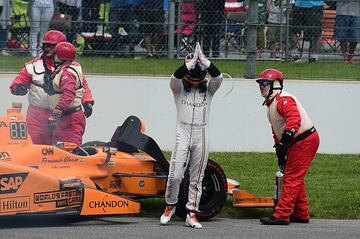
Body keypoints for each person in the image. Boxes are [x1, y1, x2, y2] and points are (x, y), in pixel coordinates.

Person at [160, 43, 223, 229]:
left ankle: (191, 213)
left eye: (198, 71)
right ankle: (170, 206)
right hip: (183, 132)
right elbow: (173, 78)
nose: (195, 75)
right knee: (175, 174)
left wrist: (205, 62)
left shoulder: (209, 90)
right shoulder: (178, 88)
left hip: (202, 133)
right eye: (192, 71)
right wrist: (188, 64)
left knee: (197, 176)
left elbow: (218, 78)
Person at [256, 69, 320, 225]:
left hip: (303, 140)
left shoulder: (284, 99)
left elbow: (294, 120)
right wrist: (280, 149)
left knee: (291, 178)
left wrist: (284, 142)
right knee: (296, 178)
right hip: (300, 140)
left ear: (276, 85)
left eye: (265, 84)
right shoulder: (271, 105)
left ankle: (282, 215)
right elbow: (276, 130)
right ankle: (301, 214)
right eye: (261, 84)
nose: (262, 87)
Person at [10, 30, 94, 145]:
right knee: (36, 151)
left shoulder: (73, 67)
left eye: (51, 46)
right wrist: (18, 87)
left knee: (68, 152)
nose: (47, 48)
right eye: (45, 45)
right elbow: (17, 82)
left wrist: (87, 101)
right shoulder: (32, 66)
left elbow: (83, 86)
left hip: (65, 116)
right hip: (37, 116)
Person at [47, 42, 86, 146]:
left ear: (60, 57)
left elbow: (68, 94)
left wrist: (56, 113)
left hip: (70, 118)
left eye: (54, 54)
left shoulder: (67, 73)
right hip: (65, 117)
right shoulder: (68, 69)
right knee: (57, 152)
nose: (52, 56)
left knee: (71, 153)